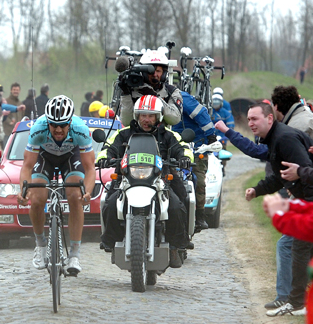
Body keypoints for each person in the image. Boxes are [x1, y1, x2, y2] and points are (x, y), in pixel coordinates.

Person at [243, 102, 313, 317]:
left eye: (254, 119)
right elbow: (284, 176)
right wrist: (258, 189)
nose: (250, 123)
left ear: (270, 119)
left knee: (300, 250)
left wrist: (311, 207)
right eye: (248, 119)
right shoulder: (275, 138)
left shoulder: (284, 138)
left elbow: (306, 172)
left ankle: (297, 303)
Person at [97, 95, 192, 267]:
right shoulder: (124, 133)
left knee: (177, 205)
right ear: (136, 116)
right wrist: (105, 157)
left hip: (160, 178)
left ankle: (176, 246)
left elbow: (183, 148)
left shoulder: (168, 135)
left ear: (159, 117)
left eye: (150, 115)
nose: (146, 119)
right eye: (143, 115)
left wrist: (185, 157)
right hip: (127, 177)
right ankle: (112, 241)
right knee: (110, 204)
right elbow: (108, 147)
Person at [16, 96, 95, 276]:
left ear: (70, 123)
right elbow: (27, 166)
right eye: (54, 125)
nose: (58, 129)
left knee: (75, 195)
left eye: (63, 125)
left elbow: (90, 168)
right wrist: (23, 191)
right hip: (45, 157)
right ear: (48, 123)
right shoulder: (38, 129)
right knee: (37, 198)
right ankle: (41, 244)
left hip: (70, 156)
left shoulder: (80, 130)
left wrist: (87, 193)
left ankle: (74, 254)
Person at [172, 90, 215, 231]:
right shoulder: (152, 99)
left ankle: (200, 216)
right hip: (170, 146)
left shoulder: (181, 97)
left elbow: (201, 114)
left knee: (199, 181)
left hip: (195, 146)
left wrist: (211, 137)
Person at [118, 49, 183, 128]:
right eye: (150, 71)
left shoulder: (172, 92)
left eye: (158, 71)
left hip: (162, 137)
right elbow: (126, 122)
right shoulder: (133, 90)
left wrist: (154, 97)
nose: (155, 74)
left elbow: (174, 119)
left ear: (164, 73)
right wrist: (126, 94)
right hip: (135, 137)